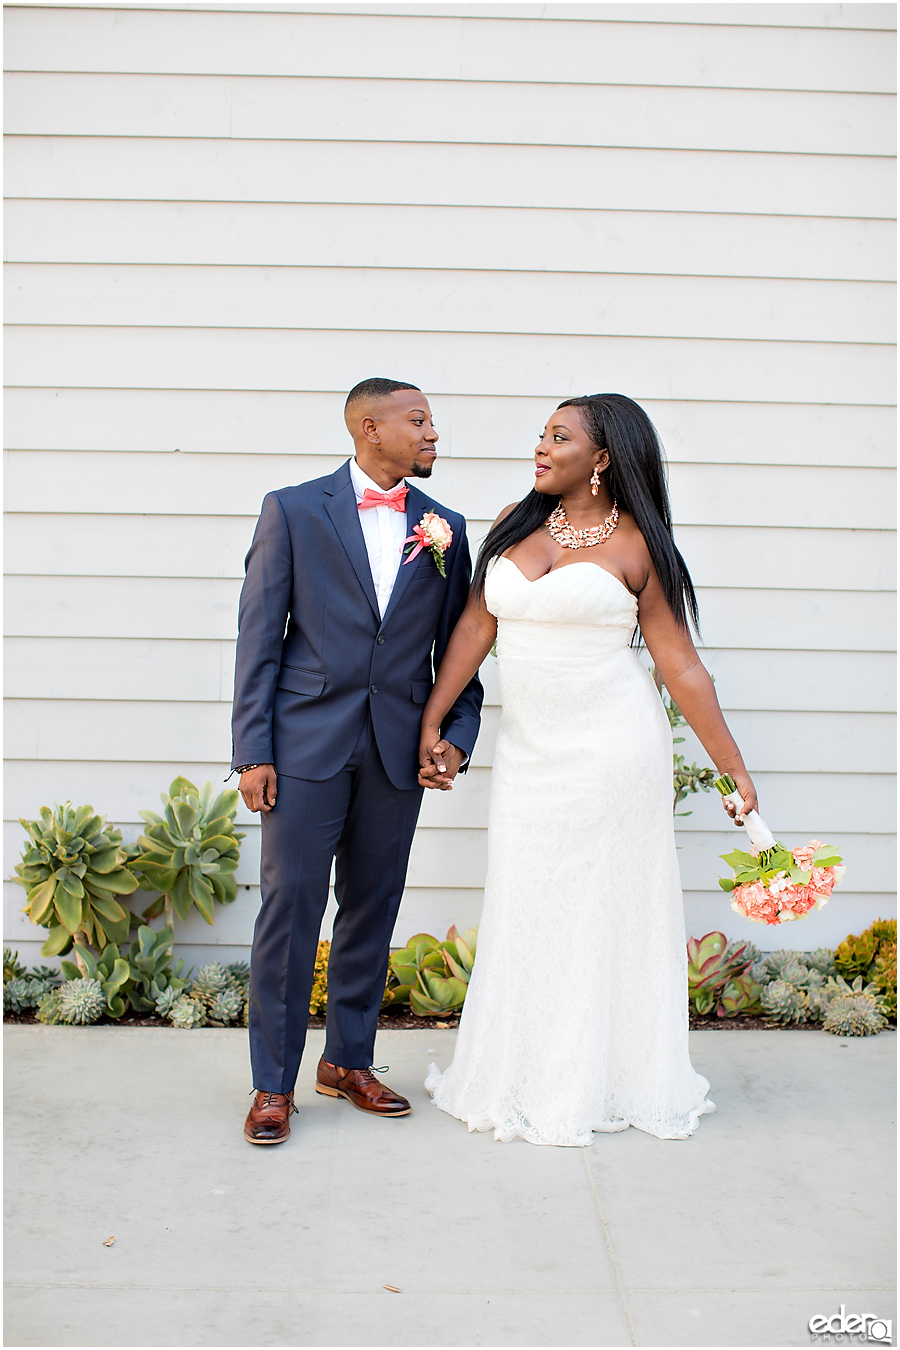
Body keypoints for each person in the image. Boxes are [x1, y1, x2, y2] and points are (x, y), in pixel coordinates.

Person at [418, 392, 757, 1147]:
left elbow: (683, 668)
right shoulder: (517, 520)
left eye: (559, 437)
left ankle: (599, 1078)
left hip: (613, 754)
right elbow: (477, 623)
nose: (541, 447)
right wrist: (433, 717)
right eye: (542, 434)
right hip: (532, 757)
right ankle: (524, 1071)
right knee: (528, 902)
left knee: (599, 911)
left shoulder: (639, 545)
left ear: (601, 459)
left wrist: (733, 770)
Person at [232, 377, 483, 1145]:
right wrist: (252, 752)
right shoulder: (295, 510)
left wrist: (458, 737)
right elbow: (259, 638)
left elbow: (462, 651)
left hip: (395, 752)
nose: (433, 433)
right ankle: (273, 1083)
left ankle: (349, 1061)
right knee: (291, 911)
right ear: (370, 427)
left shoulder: (446, 525)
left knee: (372, 908)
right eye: (419, 420)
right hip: (304, 747)